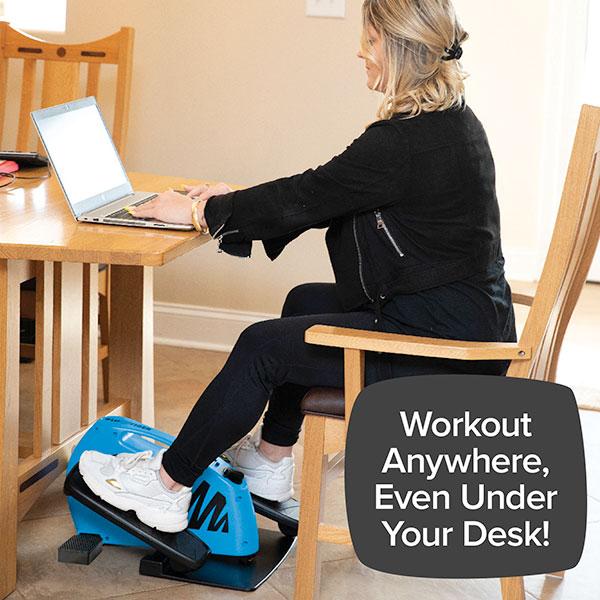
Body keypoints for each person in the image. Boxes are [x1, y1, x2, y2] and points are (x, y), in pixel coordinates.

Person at [79, 0, 516, 533]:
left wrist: (199, 212)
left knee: (262, 346)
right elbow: (324, 191)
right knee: (305, 302)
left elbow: (311, 194)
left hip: (443, 351)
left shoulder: (403, 142)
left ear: (400, 50)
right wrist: (229, 200)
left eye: (372, 41)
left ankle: (167, 484)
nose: (362, 51)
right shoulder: (449, 122)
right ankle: (270, 460)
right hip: (463, 322)